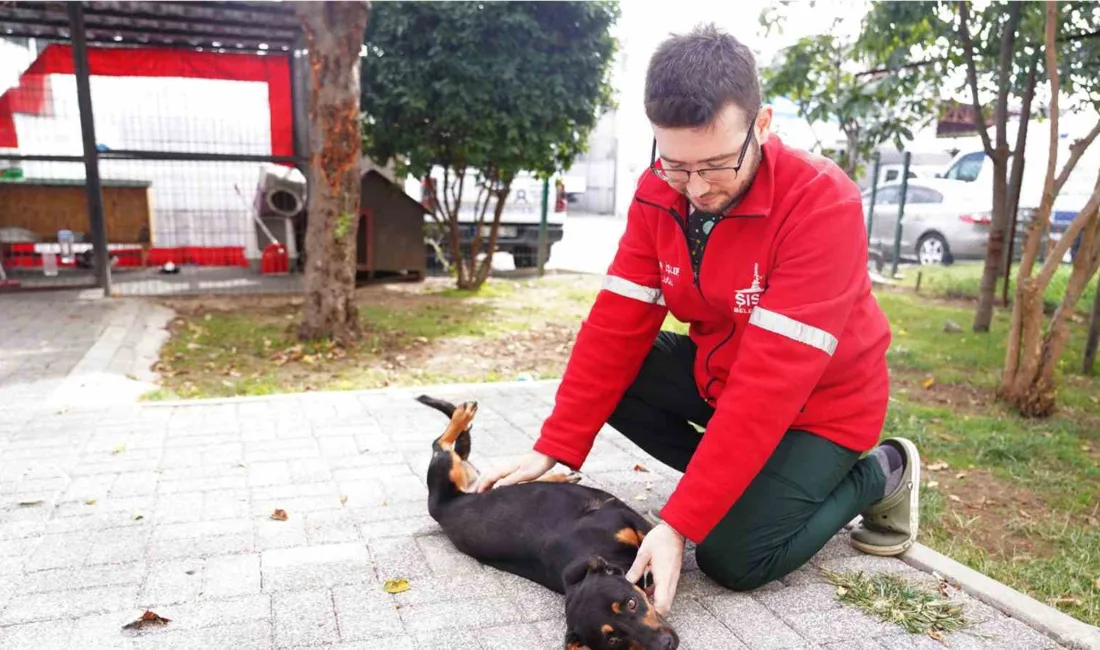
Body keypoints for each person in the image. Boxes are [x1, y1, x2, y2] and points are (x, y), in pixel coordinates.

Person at [477, 23, 920, 616]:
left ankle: (883, 472)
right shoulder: (659, 191)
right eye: (676, 165)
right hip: (724, 379)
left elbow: (772, 383)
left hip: (822, 406)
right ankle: (744, 483)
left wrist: (681, 522)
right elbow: (615, 326)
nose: (694, 188)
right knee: (621, 372)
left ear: (761, 126)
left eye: (714, 165)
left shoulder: (820, 202)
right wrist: (554, 448)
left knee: (735, 559)